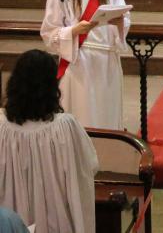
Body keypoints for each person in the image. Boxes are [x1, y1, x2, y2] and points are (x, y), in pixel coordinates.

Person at [0, 49, 99, 233]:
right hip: (57, 223)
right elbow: (89, 166)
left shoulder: (2, 128)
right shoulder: (65, 127)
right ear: (52, 85)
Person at [40, 0, 130, 129]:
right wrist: (73, 31)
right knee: (83, 115)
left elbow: (124, 16)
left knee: (106, 113)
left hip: (107, 61)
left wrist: (119, 22)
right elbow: (48, 32)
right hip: (80, 60)